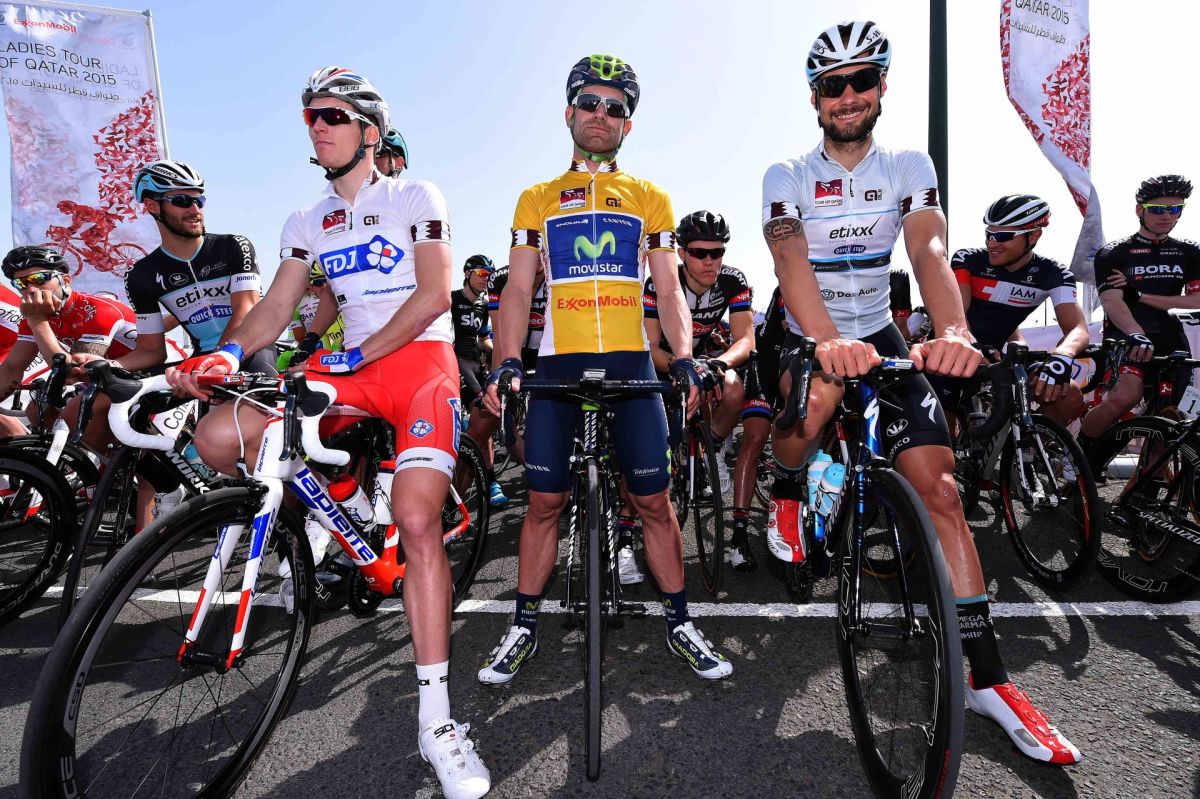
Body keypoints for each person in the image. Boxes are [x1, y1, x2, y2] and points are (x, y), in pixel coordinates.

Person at [164, 65, 489, 799]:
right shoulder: (305, 220)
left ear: (369, 130)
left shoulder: (415, 194)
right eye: (311, 115)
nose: (317, 126)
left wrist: (358, 354)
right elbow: (278, 306)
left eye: (333, 115)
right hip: (351, 367)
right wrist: (225, 355)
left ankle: (437, 723)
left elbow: (433, 293)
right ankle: (341, 508)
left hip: (418, 361)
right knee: (219, 436)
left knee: (417, 519)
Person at [760, 21, 1079, 765]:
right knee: (813, 406)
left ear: (881, 86)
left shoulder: (908, 164)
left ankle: (987, 678)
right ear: (815, 96)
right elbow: (789, 256)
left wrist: (955, 329)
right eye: (832, 84)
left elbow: (928, 246)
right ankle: (787, 487)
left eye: (861, 80)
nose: (847, 96)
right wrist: (824, 340)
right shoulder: (788, 173)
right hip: (806, 325)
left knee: (938, 489)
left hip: (878, 327)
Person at [476, 54, 731, 686]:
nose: (601, 115)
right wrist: (508, 361)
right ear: (569, 113)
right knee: (543, 501)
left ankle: (680, 621)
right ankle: (523, 626)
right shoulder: (536, 198)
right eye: (590, 103)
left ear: (628, 125)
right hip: (558, 365)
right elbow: (518, 290)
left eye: (615, 108)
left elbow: (668, 289)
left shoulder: (650, 197)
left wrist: (686, 357)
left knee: (653, 501)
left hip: (630, 362)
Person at [641, 210, 756, 575]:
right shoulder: (659, 282)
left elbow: (746, 340)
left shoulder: (733, 281)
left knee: (734, 388)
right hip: (666, 359)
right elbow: (650, 347)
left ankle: (712, 449)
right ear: (681, 253)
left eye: (717, 252)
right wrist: (681, 365)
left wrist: (719, 363)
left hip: (705, 356)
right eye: (700, 253)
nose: (710, 261)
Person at [931, 195, 1090, 427]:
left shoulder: (1053, 273)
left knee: (1070, 396)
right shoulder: (969, 260)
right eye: (989, 234)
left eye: (1003, 236)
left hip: (998, 360)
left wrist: (1062, 356)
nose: (992, 243)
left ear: (1033, 236)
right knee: (944, 423)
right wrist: (975, 345)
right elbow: (959, 315)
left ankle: (1033, 447)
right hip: (956, 349)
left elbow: (1078, 328)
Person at [122, 159, 275, 374]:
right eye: (182, 200)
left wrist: (213, 361)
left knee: (260, 382)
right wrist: (107, 366)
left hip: (249, 348)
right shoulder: (141, 275)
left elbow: (245, 313)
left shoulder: (234, 246)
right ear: (152, 206)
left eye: (199, 200)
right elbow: (150, 351)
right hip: (201, 359)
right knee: (109, 390)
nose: (195, 210)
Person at [1080, 174, 1200, 446]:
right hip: (1126, 337)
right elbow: (1112, 301)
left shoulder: (1190, 252)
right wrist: (1137, 333)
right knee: (1126, 396)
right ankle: (1077, 458)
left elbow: (1197, 302)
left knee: (1170, 417)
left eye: (1175, 209)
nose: (1166, 216)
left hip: (1171, 339)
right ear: (1139, 210)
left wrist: (1140, 295)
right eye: (1157, 209)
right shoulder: (1114, 252)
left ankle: (1151, 474)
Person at [0, 246, 137, 452]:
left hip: (154, 369)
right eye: (21, 283)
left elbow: (73, 373)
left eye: (38, 279)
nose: (30, 289)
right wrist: (36, 320)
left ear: (65, 281)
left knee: (76, 411)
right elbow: (12, 368)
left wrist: (37, 321)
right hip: (112, 374)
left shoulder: (96, 311)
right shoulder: (35, 316)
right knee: (38, 412)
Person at [464, 260, 548, 507]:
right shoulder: (500, 279)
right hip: (514, 354)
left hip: (549, 354)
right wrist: (496, 382)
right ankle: (445, 507)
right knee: (482, 425)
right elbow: (500, 340)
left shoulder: (558, 272)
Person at [452, 254, 494, 409]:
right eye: (482, 273)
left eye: (489, 275)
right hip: (456, 364)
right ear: (467, 273)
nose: (486, 279)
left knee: (493, 408)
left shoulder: (484, 306)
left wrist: (495, 353)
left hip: (476, 363)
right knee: (481, 406)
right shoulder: (451, 299)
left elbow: (483, 339)